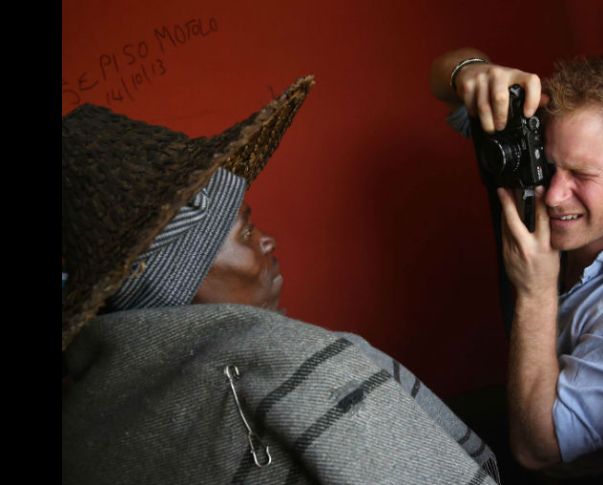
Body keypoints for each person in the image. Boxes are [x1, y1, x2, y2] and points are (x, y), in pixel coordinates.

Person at [62, 76, 500, 484]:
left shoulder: (84, 418)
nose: (268, 241)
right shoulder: (312, 371)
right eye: (247, 232)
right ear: (178, 276)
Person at [430, 48, 603, 482]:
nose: (553, 195)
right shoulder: (539, 185)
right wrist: (474, 72)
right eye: (551, 165)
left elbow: (539, 451)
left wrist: (535, 291)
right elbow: (441, 76)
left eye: (582, 174)